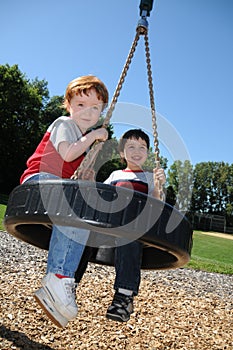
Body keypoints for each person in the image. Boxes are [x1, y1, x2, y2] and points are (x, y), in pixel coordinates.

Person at [20, 75, 109, 328]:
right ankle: (58, 276)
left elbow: (74, 169)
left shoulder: (83, 136)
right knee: (75, 203)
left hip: (56, 188)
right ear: (68, 105)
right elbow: (67, 153)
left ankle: (62, 280)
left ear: (101, 111)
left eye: (95, 107)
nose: (87, 112)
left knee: (83, 208)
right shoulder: (64, 123)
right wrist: (93, 137)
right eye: (80, 105)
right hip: (38, 181)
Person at [103, 129, 166, 322]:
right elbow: (101, 197)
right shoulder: (115, 174)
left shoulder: (149, 177)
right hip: (112, 224)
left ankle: (124, 296)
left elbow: (158, 206)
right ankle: (69, 284)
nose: (136, 151)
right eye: (131, 146)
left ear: (148, 153)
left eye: (142, 147)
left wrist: (159, 187)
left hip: (136, 227)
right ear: (122, 153)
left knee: (129, 232)